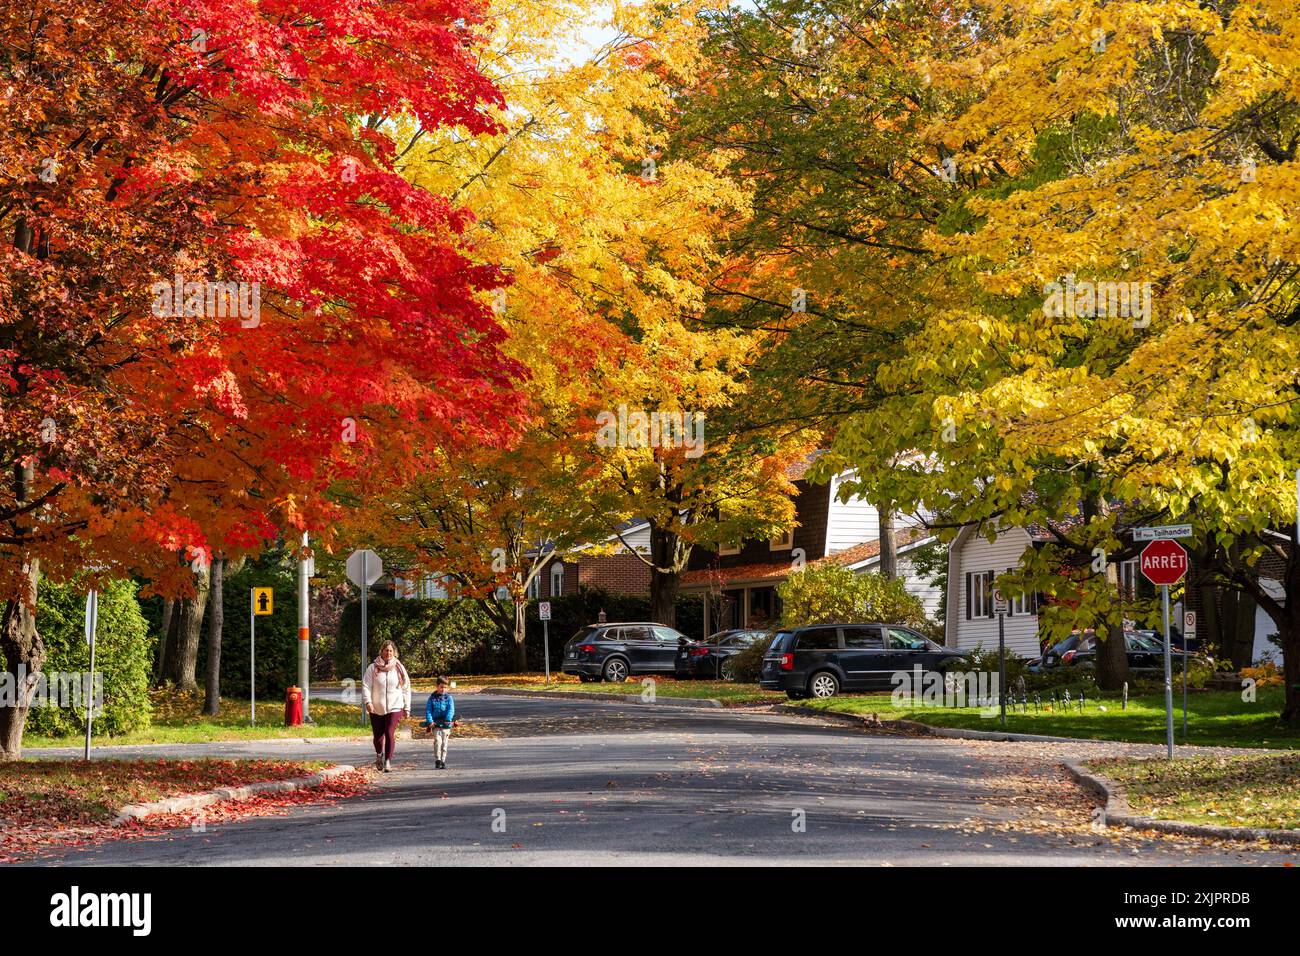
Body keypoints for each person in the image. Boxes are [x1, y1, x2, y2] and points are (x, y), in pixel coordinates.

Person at [362, 640, 411, 773]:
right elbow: (366, 686)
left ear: (394, 652)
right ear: (381, 651)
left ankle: (388, 761)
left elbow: (406, 688)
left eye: (390, 651)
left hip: (395, 706)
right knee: (378, 735)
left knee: (389, 733)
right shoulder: (372, 668)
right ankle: (379, 755)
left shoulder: (399, 668)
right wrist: (368, 702)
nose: (388, 653)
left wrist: (407, 707)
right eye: (386, 650)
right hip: (376, 707)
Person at [423, 676, 456, 770]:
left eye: (445, 687)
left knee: (444, 743)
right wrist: (430, 721)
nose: (443, 689)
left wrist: (448, 719)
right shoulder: (432, 698)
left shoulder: (449, 698)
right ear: (437, 686)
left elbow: (451, 709)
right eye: (441, 687)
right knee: (438, 741)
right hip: (435, 724)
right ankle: (437, 760)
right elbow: (428, 711)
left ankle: (443, 760)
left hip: (446, 724)